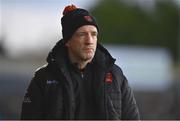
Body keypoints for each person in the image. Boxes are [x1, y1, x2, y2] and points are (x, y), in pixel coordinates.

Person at [21, 5, 140, 120]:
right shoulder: (43, 78)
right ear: (68, 41)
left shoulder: (116, 75)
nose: (89, 41)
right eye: (82, 34)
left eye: (94, 34)